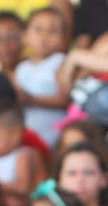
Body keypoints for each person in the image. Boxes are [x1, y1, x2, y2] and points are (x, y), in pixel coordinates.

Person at [13, 7, 70, 146]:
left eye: (53, 31)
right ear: (25, 36)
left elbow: (65, 100)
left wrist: (32, 100)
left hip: (54, 134)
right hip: (27, 134)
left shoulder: (60, 62)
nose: (44, 36)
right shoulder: (21, 68)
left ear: (64, 39)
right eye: (38, 30)